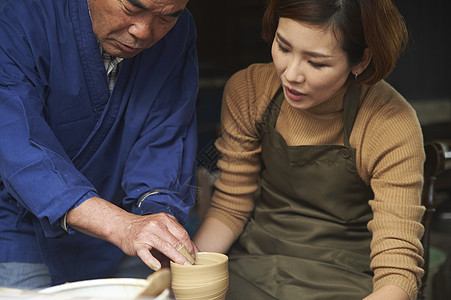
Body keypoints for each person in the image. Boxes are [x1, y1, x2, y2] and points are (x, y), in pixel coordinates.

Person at [193, 0, 425, 299]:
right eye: (283, 47)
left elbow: (397, 269)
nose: (291, 74)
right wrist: (185, 271)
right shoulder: (250, 90)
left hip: (348, 280)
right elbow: (231, 206)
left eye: (316, 62)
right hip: (253, 268)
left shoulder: (390, 123)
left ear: (361, 61)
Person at [0, 0, 199, 289]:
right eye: (132, 8)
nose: (143, 31)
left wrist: (158, 220)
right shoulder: (19, 15)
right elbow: (16, 144)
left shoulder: (177, 34)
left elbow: (164, 141)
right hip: (19, 230)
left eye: (166, 17)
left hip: (124, 238)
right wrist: (122, 226)